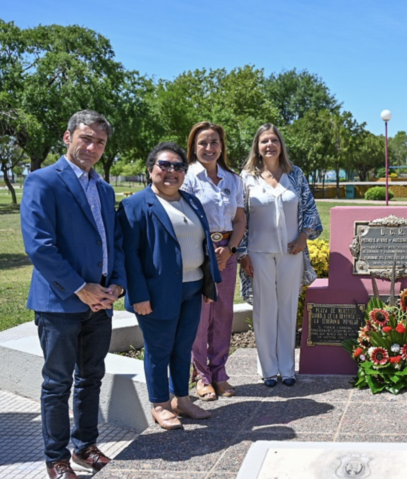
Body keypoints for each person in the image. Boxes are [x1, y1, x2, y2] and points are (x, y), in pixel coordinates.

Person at [21, 110, 125, 478]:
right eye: (86, 138)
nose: (93, 147)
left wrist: (117, 284)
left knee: (91, 377)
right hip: (61, 303)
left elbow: (113, 242)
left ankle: (85, 447)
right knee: (57, 383)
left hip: (101, 304)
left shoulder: (105, 188)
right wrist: (81, 289)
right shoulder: (42, 182)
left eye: (99, 142)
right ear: (68, 138)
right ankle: (56, 458)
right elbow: (40, 246)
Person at [117, 142, 221, 430]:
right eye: (164, 165)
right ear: (151, 169)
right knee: (159, 349)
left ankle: (182, 400)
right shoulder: (135, 205)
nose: (171, 171)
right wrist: (138, 295)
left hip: (192, 288)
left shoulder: (191, 201)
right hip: (156, 293)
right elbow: (129, 256)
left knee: (183, 347)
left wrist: (210, 285)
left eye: (178, 166)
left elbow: (204, 245)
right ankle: (160, 404)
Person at [239, 124, 322, 387]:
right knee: (265, 310)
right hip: (258, 253)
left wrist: (303, 236)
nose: (269, 145)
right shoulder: (246, 177)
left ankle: (287, 368)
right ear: (257, 146)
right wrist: (242, 253)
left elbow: (310, 209)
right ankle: (267, 369)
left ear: (281, 145)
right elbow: (238, 218)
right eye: (264, 141)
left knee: (287, 308)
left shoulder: (294, 174)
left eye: (274, 140)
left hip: (291, 252)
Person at [182, 122, 245, 401]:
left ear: (222, 146)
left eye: (214, 142)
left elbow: (240, 218)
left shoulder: (233, 179)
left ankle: (219, 372)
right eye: (203, 143)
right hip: (197, 252)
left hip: (227, 252)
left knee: (223, 314)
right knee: (200, 316)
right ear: (194, 147)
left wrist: (229, 250)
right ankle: (201, 375)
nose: (209, 148)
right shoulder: (186, 177)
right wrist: (208, 252)